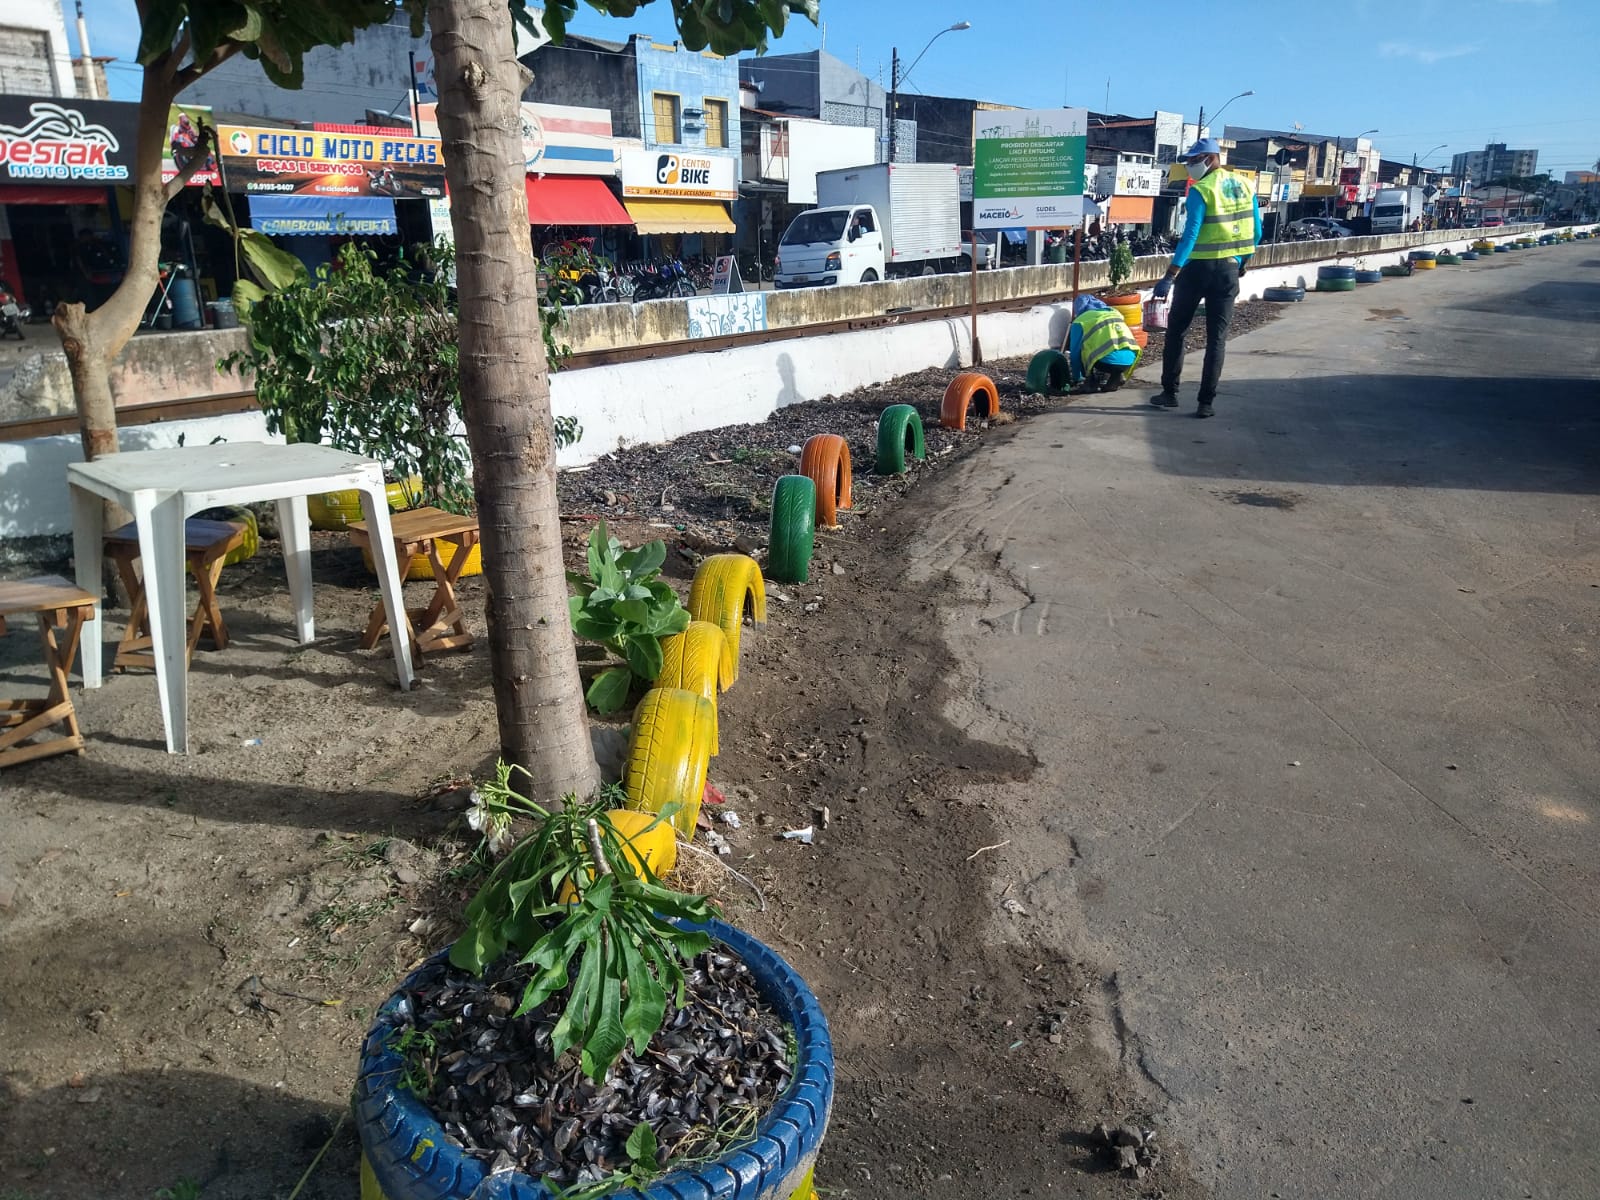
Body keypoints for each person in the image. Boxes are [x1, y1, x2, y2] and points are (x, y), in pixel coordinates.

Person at [1150, 138, 1261, 418]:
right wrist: (1241, 262)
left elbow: (1191, 234)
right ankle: (1205, 403)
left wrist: (1170, 274)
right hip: (1227, 271)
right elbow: (1256, 232)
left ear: (1210, 159)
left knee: (1177, 330)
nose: (1189, 166)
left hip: (1196, 270)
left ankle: (1170, 393)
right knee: (1217, 339)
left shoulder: (1202, 189)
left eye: (1192, 160)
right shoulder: (1246, 187)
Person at [1068, 295, 1140, 392]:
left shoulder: (1081, 321)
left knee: (1083, 349)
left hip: (1107, 362)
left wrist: (1077, 378)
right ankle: (1113, 381)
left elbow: (1075, 354)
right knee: (1111, 350)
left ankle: (1090, 383)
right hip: (1130, 360)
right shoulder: (1115, 313)